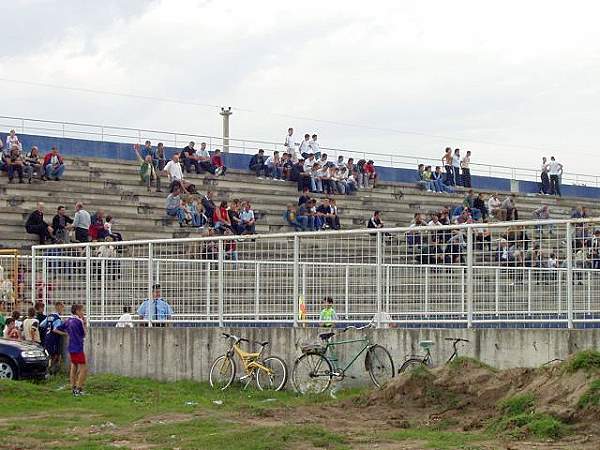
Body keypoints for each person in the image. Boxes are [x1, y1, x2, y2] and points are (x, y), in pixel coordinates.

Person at [59, 304, 88, 396]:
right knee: (84, 368)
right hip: (78, 346)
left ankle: (73, 387)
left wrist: (67, 333)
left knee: (74, 366)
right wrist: (84, 323)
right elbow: (84, 334)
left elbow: (58, 328)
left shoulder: (68, 320)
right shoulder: (78, 321)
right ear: (77, 311)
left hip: (71, 346)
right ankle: (79, 388)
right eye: (82, 311)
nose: (83, 313)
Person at [40, 302, 66, 374]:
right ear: (59, 308)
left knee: (49, 355)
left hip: (47, 338)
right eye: (62, 308)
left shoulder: (49, 316)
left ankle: (48, 370)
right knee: (55, 356)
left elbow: (41, 324)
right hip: (53, 339)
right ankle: (49, 371)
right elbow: (55, 330)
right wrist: (65, 334)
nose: (63, 309)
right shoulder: (57, 318)